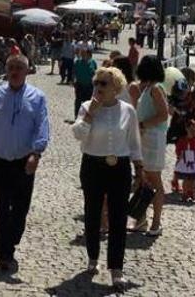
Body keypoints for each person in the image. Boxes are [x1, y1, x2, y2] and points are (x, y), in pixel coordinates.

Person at [72, 67, 141, 288]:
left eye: (104, 84)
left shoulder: (128, 111)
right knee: (92, 214)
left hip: (119, 167)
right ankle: (93, 256)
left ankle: (116, 268)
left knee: (118, 218)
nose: (98, 87)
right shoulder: (86, 107)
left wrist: (139, 167)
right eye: (96, 83)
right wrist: (91, 113)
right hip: (93, 164)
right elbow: (78, 135)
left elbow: (134, 142)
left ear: (116, 88)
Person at [0, 54, 50, 272]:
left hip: (23, 162)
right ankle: (4, 254)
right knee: (2, 207)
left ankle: (10, 242)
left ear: (27, 71)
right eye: (11, 67)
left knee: (20, 209)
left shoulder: (37, 97)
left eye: (19, 67)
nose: (15, 71)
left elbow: (42, 126)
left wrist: (36, 153)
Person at [130, 55, 170, 236]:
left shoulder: (155, 89)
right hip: (146, 139)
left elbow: (163, 114)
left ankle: (156, 222)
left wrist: (143, 125)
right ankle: (141, 219)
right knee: (142, 179)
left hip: (152, 138)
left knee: (154, 181)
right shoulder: (148, 89)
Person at [174, 117, 195, 202]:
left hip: (194, 162)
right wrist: (179, 158)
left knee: (193, 178)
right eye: (191, 129)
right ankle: (185, 192)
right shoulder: (182, 140)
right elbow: (179, 150)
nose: (193, 132)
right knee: (186, 179)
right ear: (187, 129)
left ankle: (191, 190)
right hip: (185, 161)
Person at [72, 50, 97, 121]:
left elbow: (95, 73)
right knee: (78, 101)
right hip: (79, 84)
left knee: (88, 102)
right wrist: (73, 80)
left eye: (84, 54)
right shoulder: (77, 62)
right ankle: (76, 116)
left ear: (88, 55)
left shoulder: (92, 62)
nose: (83, 55)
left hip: (89, 85)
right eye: (81, 54)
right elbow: (73, 71)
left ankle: (86, 117)